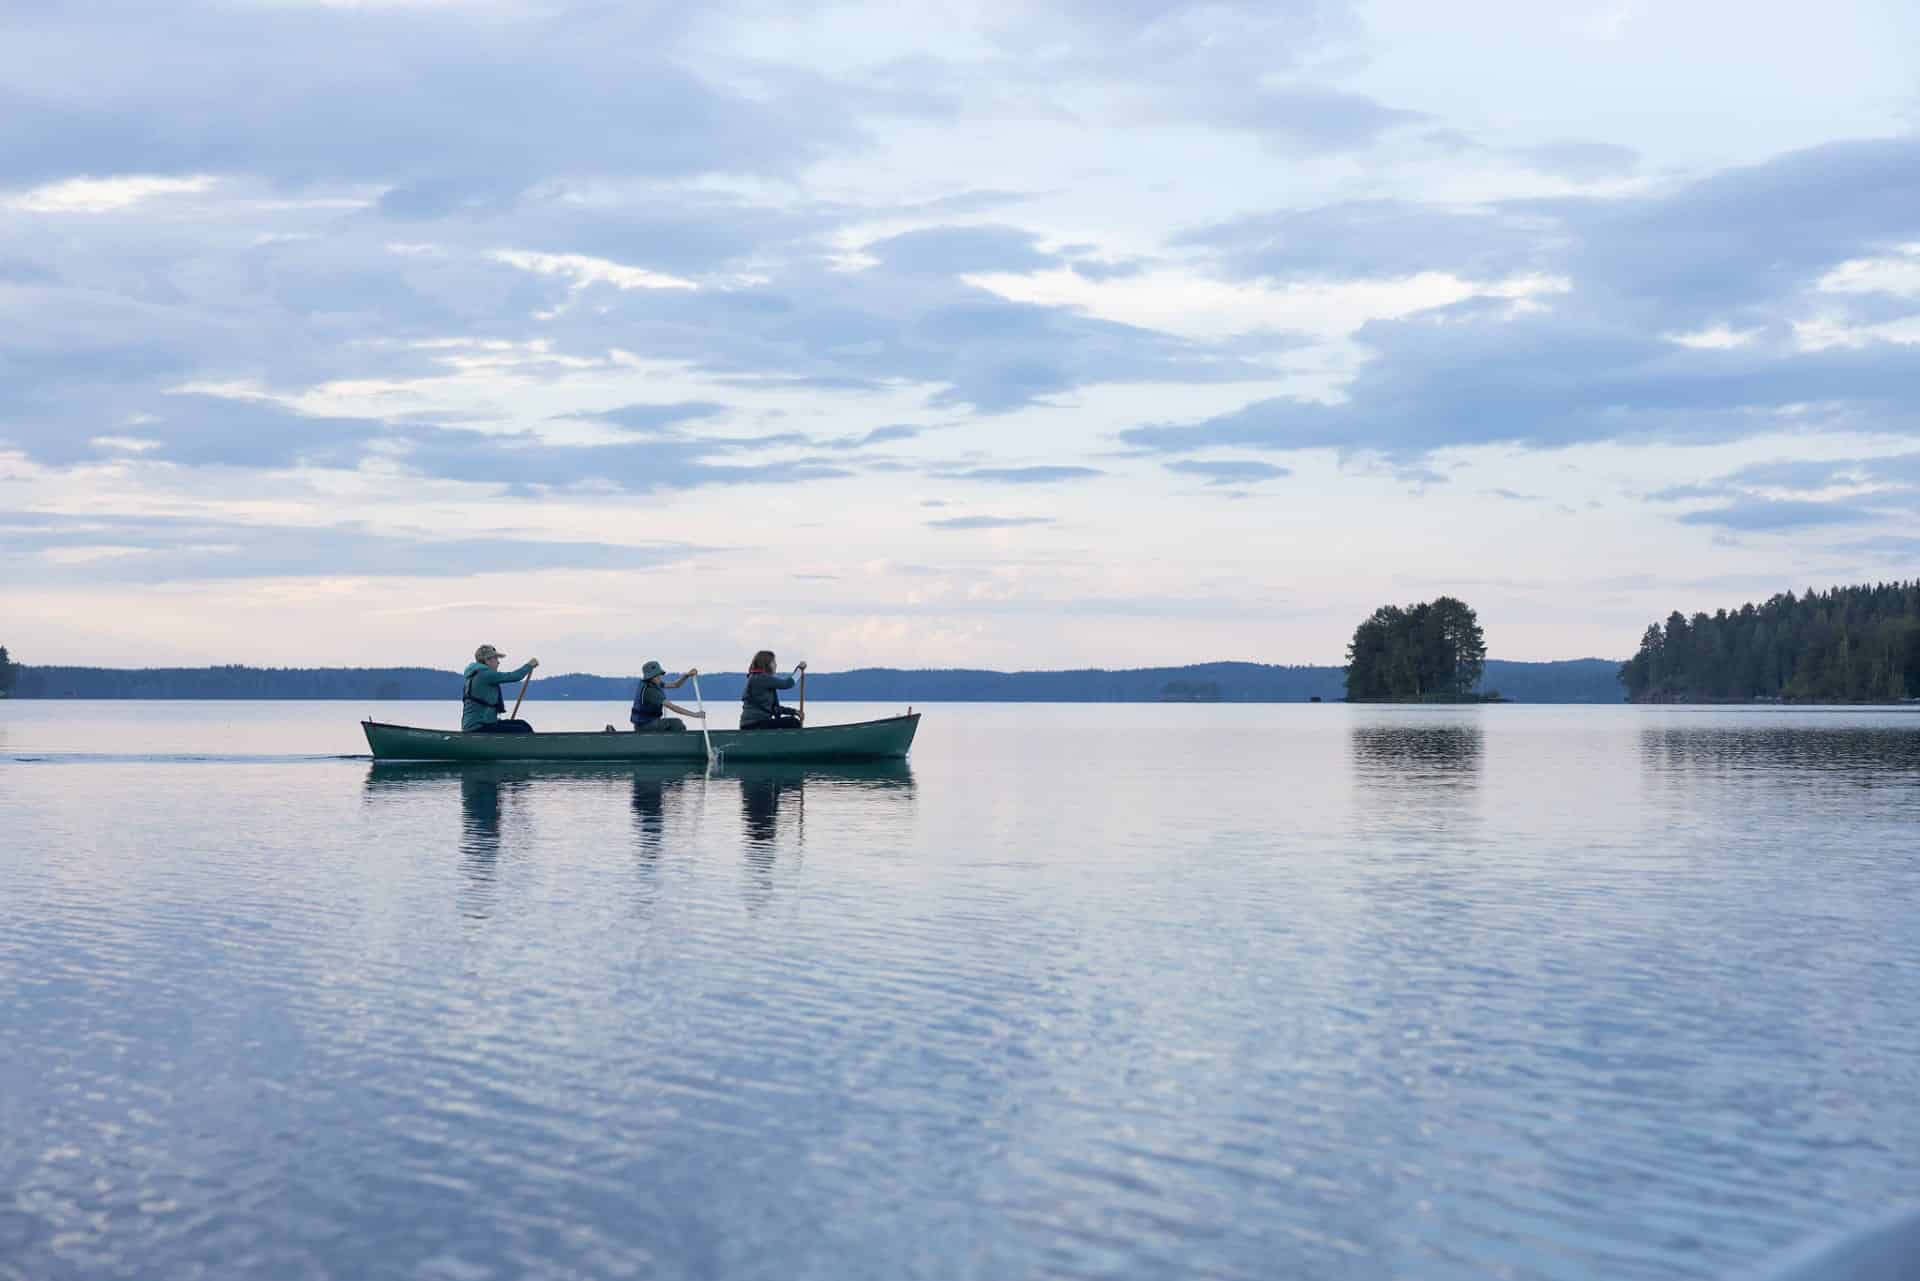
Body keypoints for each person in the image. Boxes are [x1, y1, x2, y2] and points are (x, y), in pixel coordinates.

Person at [462, 644, 539, 733]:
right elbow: (513, 676)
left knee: (523, 724)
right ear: (487, 660)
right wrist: (529, 665)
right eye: (496, 659)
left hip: (484, 723)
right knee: (522, 730)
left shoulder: (476, 674)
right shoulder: (484, 675)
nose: (498, 662)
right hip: (478, 727)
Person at [625, 660, 705, 733]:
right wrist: (695, 714)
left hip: (648, 723)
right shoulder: (650, 691)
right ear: (649, 677)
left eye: (659, 674)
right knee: (677, 723)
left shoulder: (654, 683)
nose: (659, 677)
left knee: (670, 724)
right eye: (656, 675)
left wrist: (686, 675)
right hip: (644, 726)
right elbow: (672, 707)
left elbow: (675, 685)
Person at [739, 650, 805, 730]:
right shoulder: (761, 678)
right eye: (773, 662)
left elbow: (773, 709)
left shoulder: (757, 678)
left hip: (754, 724)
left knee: (789, 722)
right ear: (766, 664)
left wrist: (794, 712)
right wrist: (799, 671)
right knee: (793, 722)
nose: (776, 665)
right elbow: (787, 684)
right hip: (754, 724)